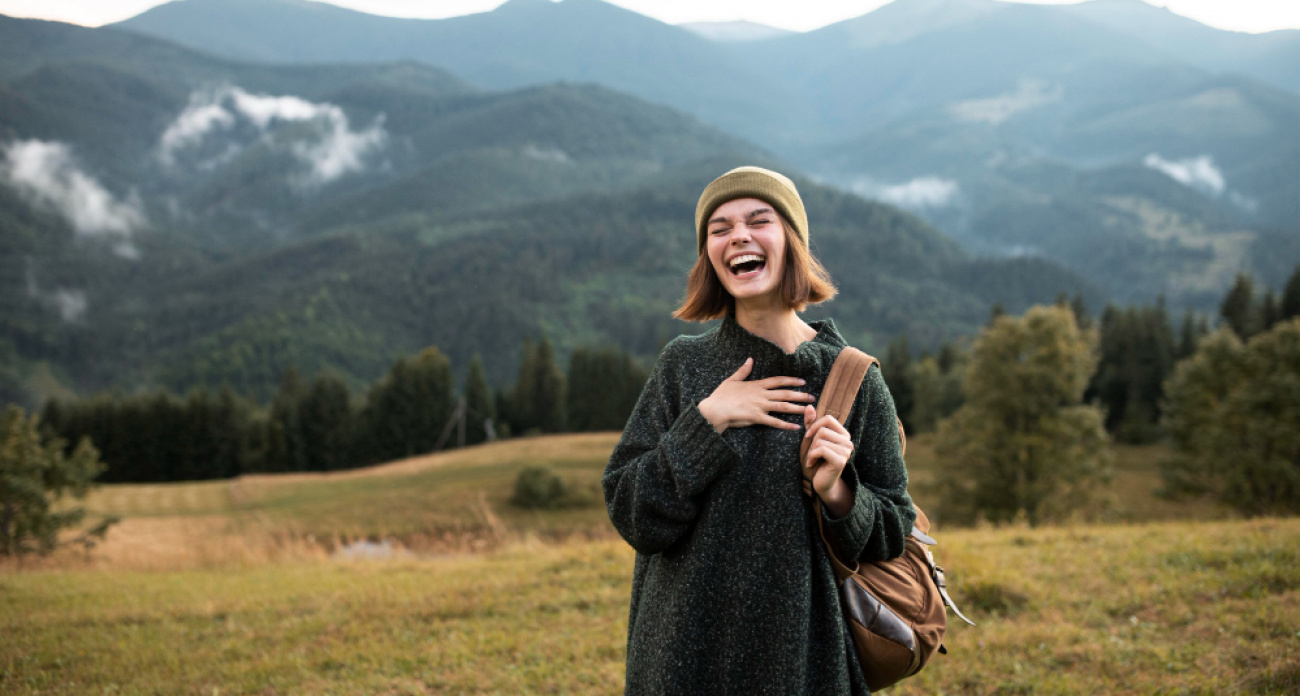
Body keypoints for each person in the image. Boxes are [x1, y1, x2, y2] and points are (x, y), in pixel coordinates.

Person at [602, 166, 916, 695]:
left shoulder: (854, 378)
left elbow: (893, 532)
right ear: (709, 256)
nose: (738, 236)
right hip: (681, 658)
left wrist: (838, 492)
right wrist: (707, 423)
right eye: (719, 229)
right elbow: (634, 512)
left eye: (757, 220)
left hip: (804, 662)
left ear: (792, 240)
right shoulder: (683, 367)